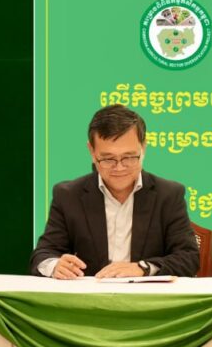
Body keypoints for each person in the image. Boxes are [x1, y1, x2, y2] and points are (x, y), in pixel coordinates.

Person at [30, 105, 199, 279]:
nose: (119, 168)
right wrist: (55, 265)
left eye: (129, 157)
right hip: (91, 294)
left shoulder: (169, 195)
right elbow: (42, 255)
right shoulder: (68, 196)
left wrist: (143, 268)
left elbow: (189, 257)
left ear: (144, 148)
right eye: (108, 159)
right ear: (92, 151)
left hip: (146, 294)